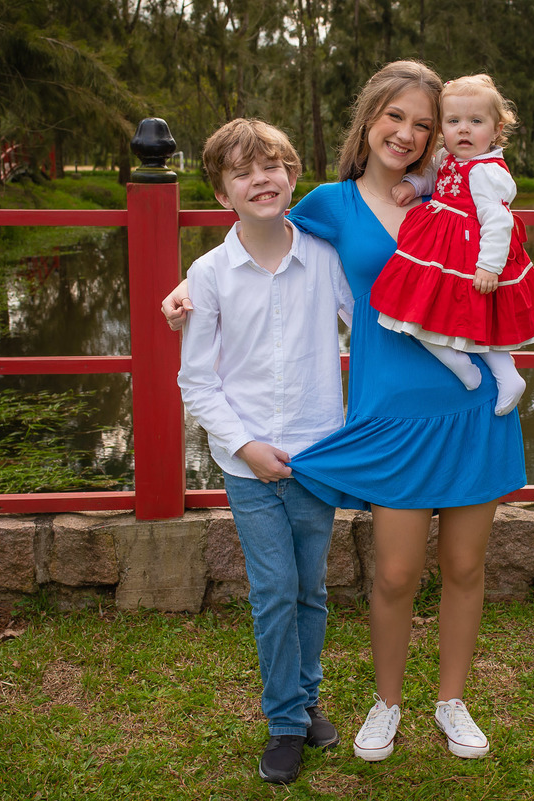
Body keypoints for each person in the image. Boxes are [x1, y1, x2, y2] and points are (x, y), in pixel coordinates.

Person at [164, 61, 526, 763]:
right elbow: (260, 231)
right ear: (369, 118)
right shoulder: (332, 203)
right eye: (397, 117)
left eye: (425, 124)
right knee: (392, 573)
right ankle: (385, 703)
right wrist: (188, 282)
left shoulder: (456, 190)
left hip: (472, 399)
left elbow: (501, 263)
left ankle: (451, 701)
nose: (410, 133)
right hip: (390, 411)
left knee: (464, 565)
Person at [176, 118, 354, 785]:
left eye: (274, 164)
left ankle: (306, 699)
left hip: (316, 455)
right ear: (222, 194)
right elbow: (197, 378)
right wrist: (245, 444)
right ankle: (284, 719)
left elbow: (367, 324)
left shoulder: (324, 258)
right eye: (244, 170)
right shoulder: (210, 273)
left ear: (293, 176)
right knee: (274, 588)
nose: (262, 178)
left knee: (310, 587)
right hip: (247, 462)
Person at [371, 74, 534, 416]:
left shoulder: (487, 171)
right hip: (438, 249)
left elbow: (499, 221)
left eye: (475, 121)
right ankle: (461, 364)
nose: (464, 130)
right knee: (411, 311)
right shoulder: (447, 157)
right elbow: (432, 175)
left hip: (470, 256)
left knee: (470, 320)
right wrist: (413, 184)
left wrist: (489, 266)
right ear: (443, 128)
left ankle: (506, 374)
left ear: (497, 129)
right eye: (454, 121)